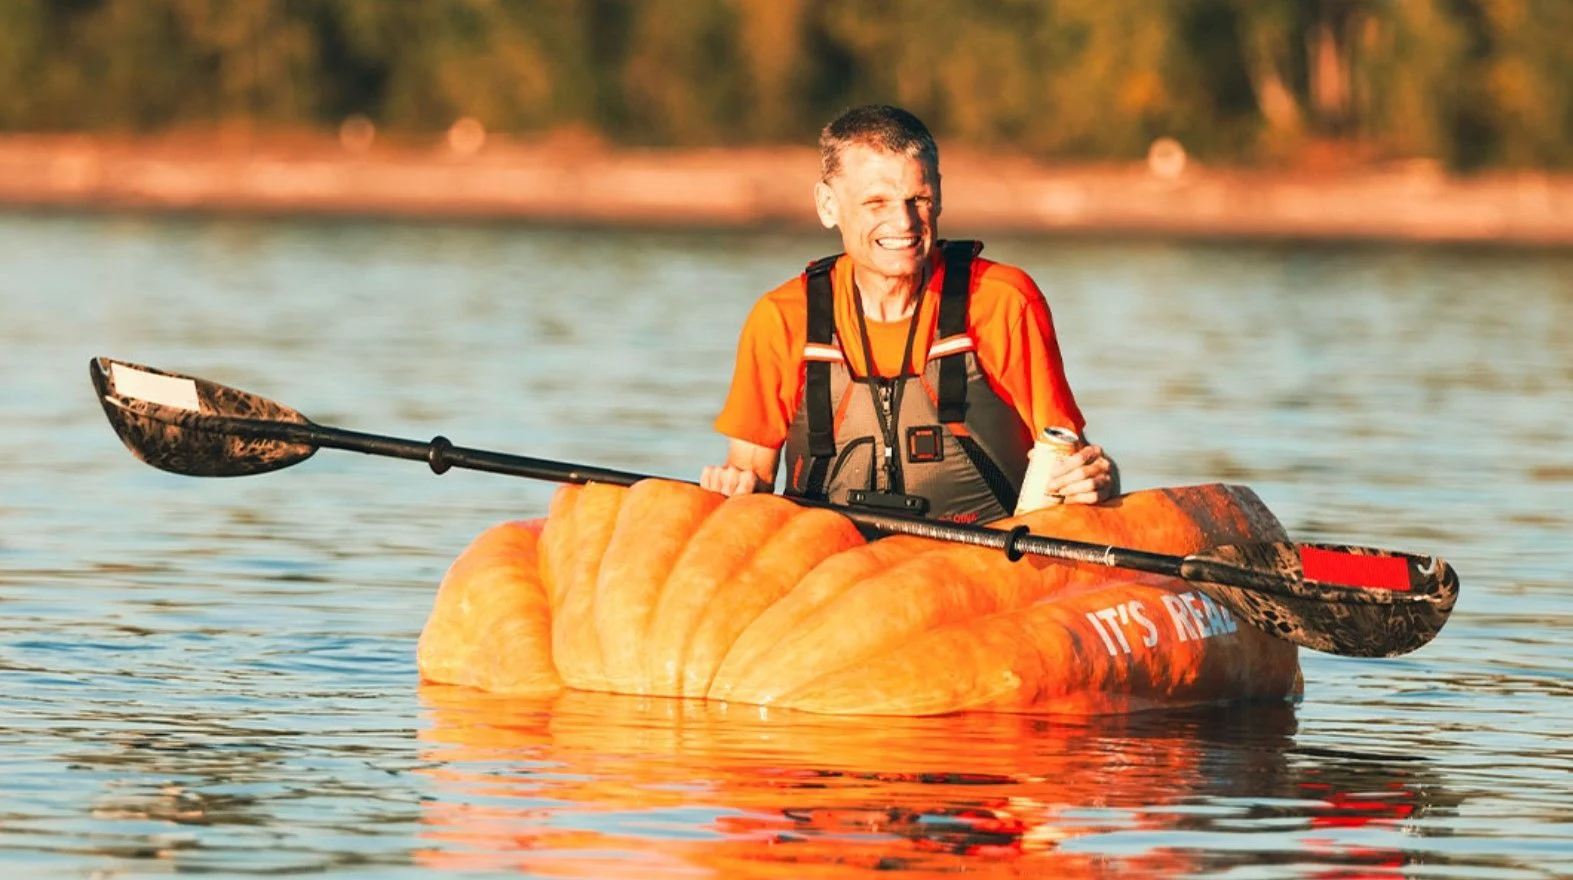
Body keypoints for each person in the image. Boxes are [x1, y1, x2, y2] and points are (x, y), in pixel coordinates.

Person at [700, 104, 1117, 522]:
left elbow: (1071, 460)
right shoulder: (781, 318)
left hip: (986, 571)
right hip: (831, 570)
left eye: (918, 199)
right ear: (828, 205)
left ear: (938, 195)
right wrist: (734, 487)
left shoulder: (1004, 301)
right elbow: (750, 477)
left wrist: (1099, 479)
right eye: (876, 202)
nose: (903, 222)